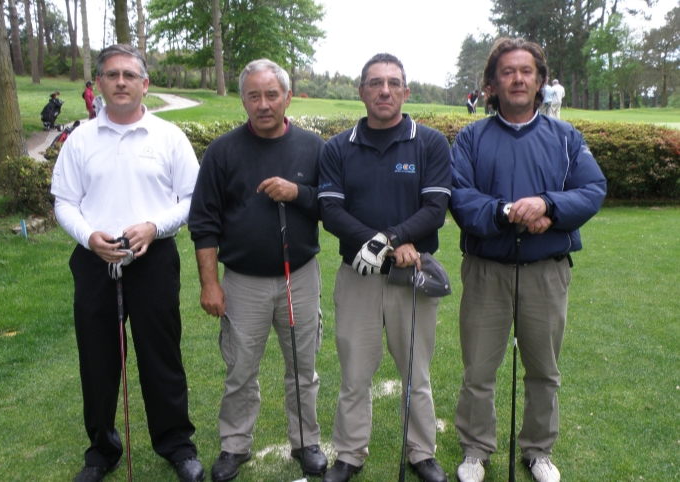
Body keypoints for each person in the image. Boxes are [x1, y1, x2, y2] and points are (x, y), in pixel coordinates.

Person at [450, 38, 606, 482]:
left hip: (545, 273)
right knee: (479, 368)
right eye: (507, 72)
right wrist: (506, 212)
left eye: (526, 71)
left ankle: (538, 450)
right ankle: (475, 449)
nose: (517, 79)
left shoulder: (566, 137)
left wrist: (549, 206)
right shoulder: (471, 137)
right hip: (487, 272)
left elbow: (592, 190)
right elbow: (460, 198)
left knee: (543, 369)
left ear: (539, 81)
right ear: (492, 84)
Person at [51, 44, 205, 482]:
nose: (121, 82)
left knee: (162, 355)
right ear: (99, 83)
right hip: (95, 259)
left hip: (153, 258)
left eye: (130, 75)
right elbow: (65, 202)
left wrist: (154, 226)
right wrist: (88, 237)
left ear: (145, 84)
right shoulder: (80, 139)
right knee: (97, 360)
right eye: (112, 74)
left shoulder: (168, 137)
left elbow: (192, 200)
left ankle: (177, 444)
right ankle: (101, 450)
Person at [187, 58, 327, 482]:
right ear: (244, 99)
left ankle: (305, 442)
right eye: (254, 96)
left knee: (303, 368)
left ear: (287, 97)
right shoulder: (222, 151)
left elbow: (334, 206)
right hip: (242, 281)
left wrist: (298, 191)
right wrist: (209, 283)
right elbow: (204, 222)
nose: (263, 104)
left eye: (271, 95)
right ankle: (234, 445)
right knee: (240, 369)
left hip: (299, 278)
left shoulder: (314, 147)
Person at [318, 53, 452, 482]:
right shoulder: (338, 146)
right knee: (355, 371)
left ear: (406, 92)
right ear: (361, 91)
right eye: (375, 83)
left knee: (416, 372)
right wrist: (379, 243)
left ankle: (421, 452)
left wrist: (389, 240)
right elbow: (330, 210)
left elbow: (435, 208)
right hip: (357, 276)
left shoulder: (428, 142)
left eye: (393, 83)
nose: (384, 91)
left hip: (410, 275)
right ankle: (350, 453)